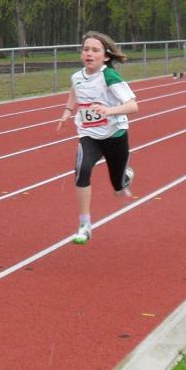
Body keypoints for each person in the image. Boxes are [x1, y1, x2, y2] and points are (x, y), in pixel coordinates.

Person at [56, 31, 138, 244]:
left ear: (106, 56)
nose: (89, 53)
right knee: (81, 171)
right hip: (89, 135)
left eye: (95, 50)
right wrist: (66, 112)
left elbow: (133, 106)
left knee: (118, 188)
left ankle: (124, 177)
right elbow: (74, 92)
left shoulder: (109, 76)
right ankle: (85, 224)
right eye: (86, 49)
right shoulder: (77, 77)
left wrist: (109, 111)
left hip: (115, 135)